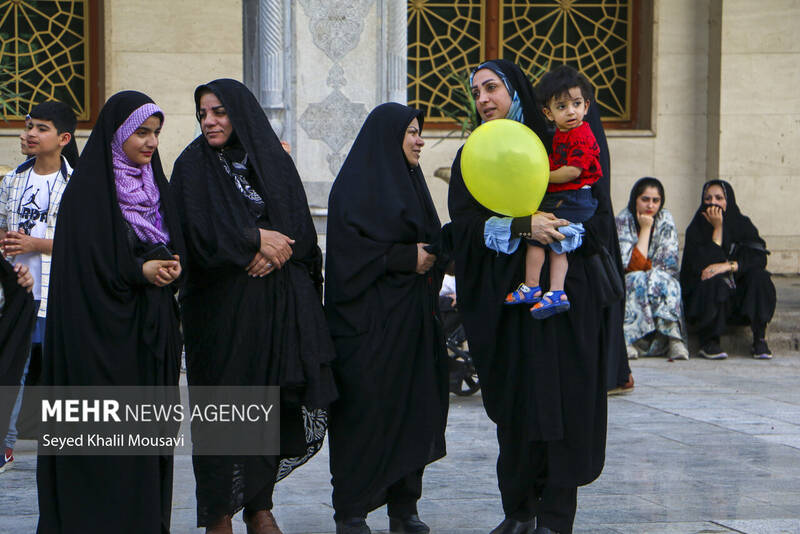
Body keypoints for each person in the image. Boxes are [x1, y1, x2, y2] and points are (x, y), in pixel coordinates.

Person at [449, 59, 614, 534]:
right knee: (519, 409)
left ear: (514, 91)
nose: (482, 99)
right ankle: (519, 511)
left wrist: (560, 229)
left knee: (561, 405)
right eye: (476, 91)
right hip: (508, 306)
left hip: (562, 304)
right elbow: (462, 227)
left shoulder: (557, 142)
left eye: (492, 88)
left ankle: (556, 517)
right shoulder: (473, 156)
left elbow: (595, 213)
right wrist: (521, 224)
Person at [171, 79, 337, 534]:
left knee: (270, 405)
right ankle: (219, 514)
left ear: (240, 113)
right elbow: (192, 235)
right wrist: (252, 241)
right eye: (203, 113)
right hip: (220, 314)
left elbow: (299, 225)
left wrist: (275, 247)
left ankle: (259, 507)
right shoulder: (191, 167)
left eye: (219, 112)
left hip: (275, 313)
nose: (209, 121)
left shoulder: (270, 159)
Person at [36, 91, 185, 533]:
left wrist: (173, 266)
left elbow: (173, 240)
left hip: (147, 338)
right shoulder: (87, 192)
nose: (150, 142)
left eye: (156, 133)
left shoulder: (155, 185)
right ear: (118, 133)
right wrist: (140, 270)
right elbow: (86, 264)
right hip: (99, 342)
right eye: (141, 132)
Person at [324, 103, 448, 534]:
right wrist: (402, 257)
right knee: (364, 415)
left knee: (413, 410)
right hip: (365, 329)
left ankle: (404, 507)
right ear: (387, 136)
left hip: (412, 325)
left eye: (420, 132)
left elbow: (432, 239)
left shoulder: (413, 183)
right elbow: (345, 257)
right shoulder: (353, 189)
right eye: (412, 132)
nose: (419, 140)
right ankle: (352, 511)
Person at [0, 101, 76, 474]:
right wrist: (11, 249)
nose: (30, 133)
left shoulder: (76, 184)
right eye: (29, 126)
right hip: (16, 291)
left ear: (63, 138)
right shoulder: (13, 179)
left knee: (61, 369)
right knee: (13, 365)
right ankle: (5, 445)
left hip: (57, 291)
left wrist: (35, 245)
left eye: (41, 128)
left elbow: (83, 243)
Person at [504, 66, 601, 320]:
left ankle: (549, 290)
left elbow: (572, 171)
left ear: (586, 106)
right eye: (562, 106)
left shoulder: (580, 135)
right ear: (548, 113)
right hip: (565, 196)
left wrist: (539, 176)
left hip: (574, 198)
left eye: (576, 104)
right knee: (544, 239)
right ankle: (540, 288)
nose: (571, 111)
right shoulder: (562, 133)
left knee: (549, 239)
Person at [680, 180, 776, 360]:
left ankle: (759, 339)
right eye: (708, 198)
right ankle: (709, 341)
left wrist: (729, 265)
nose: (713, 203)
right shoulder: (696, 229)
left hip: (739, 303)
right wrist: (717, 229)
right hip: (709, 303)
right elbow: (705, 268)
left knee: (760, 277)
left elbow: (758, 257)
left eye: (719, 198)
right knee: (713, 281)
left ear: (728, 200)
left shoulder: (742, 224)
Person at [616, 177, 689, 360]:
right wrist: (646, 229)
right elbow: (631, 266)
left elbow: (667, 263)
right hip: (630, 280)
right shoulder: (623, 220)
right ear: (635, 200)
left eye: (655, 201)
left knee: (665, 281)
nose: (650, 205)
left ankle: (674, 341)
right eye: (645, 199)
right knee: (636, 279)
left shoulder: (665, 219)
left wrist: (646, 268)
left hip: (658, 277)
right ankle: (628, 340)